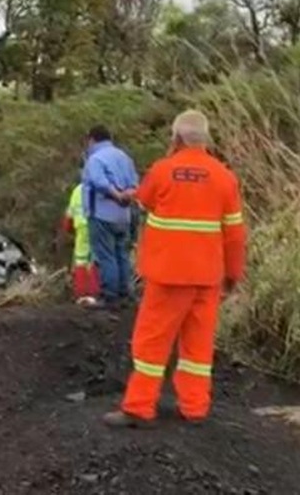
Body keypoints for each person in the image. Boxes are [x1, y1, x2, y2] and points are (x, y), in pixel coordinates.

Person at [103, 110, 247, 428]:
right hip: (207, 278)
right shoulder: (225, 177)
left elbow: (145, 200)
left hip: (168, 276)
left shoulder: (163, 170)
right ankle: (194, 408)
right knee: (198, 344)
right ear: (206, 139)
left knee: (151, 342)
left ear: (176, 137)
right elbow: (235, 235)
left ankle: (139, 407)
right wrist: (233, 275)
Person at [81, 125, 139, 307]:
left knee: (106, 255)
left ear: (91, 139)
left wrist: (116, 195)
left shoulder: (95, 159)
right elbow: (135, 183)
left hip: (101, 214)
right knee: (122, 254)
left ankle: (110, 295)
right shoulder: (124, 157)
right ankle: (126, 293)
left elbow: (99, 182)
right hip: (123, 215)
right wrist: (126, 197)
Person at [62, 179, 100, 305]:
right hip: (96, 227)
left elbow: (69, 215)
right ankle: (94, 294)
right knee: (95, 260)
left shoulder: (77, 190)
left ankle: (81, 294)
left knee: (81, 261)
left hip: (81, 228)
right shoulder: (100, 188)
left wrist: (67, 230)